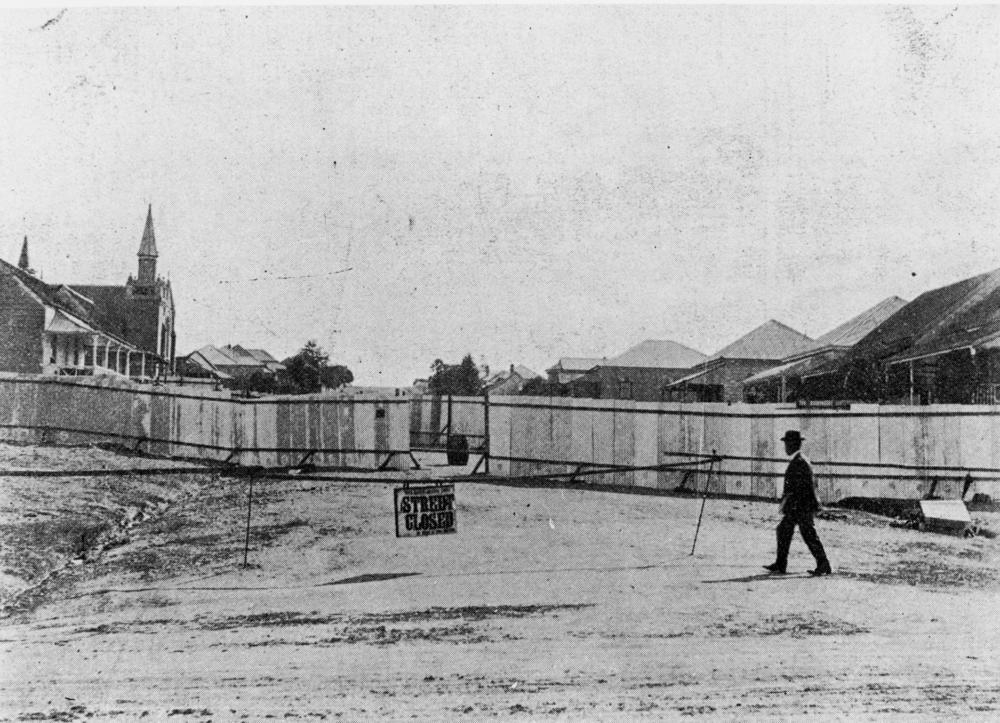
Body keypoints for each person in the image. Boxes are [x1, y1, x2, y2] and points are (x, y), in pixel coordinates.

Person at [764, 430, 832, 576]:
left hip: (801, 506)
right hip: (800, 505)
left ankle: (823, 564)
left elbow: (802, 488)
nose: (785, 447)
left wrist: (791, 505)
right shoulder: (800, 460)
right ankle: (781, 563)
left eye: (787, 444)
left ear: (794, 444)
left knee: (806, 533)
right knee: (784, 530)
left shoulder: (800, 462)